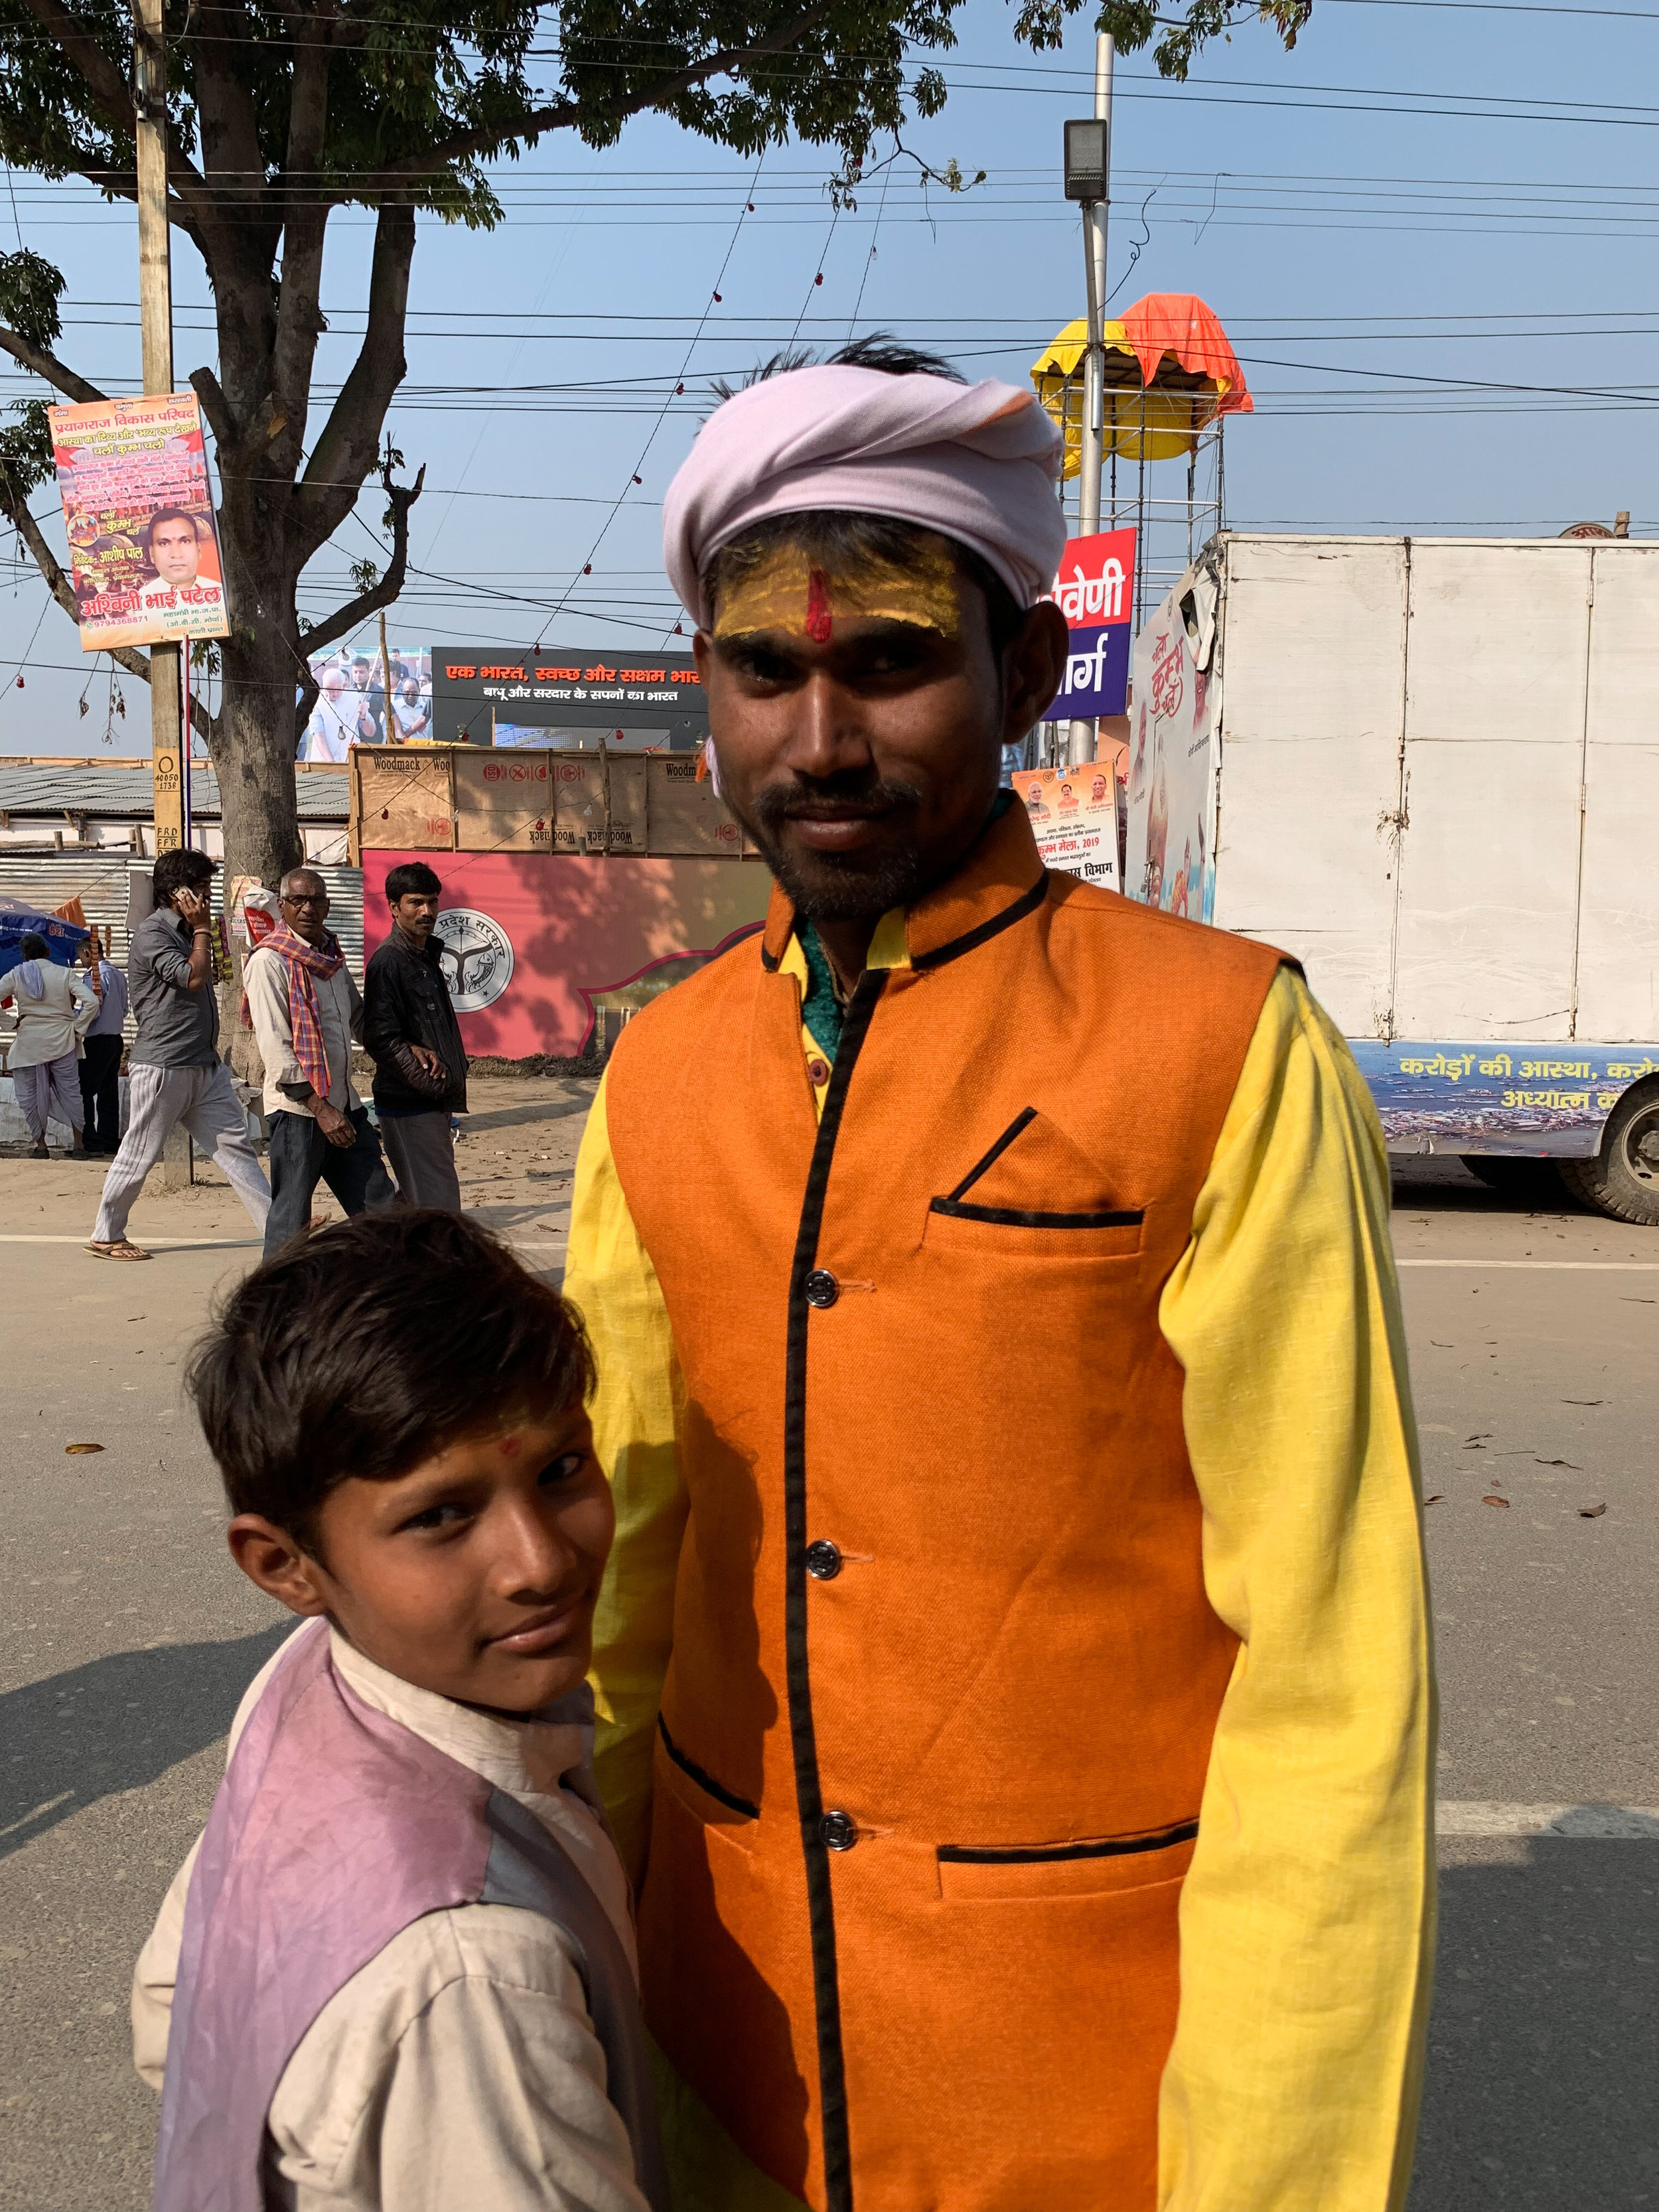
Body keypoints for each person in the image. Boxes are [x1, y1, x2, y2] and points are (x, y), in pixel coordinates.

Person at [562, 340, 1435, 2212]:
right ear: (699, 694)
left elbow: (1329, 1676)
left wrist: (1266, 2173)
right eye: (764, 669)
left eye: (887, 660)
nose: (821, 737)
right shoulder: (656, 1072)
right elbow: (620, 1579)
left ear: (1021, 673)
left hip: (1090, 2105)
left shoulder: (1220, 1046)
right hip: (724, 2064)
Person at [134, 1210, 668, 2212]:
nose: (541, 1562)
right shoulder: (474, 1975)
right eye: (442, 1516)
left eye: (561, 1471)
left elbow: (175, 2005)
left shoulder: (303, 1680)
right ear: (284, 1565)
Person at [88, 849, 271, 1261]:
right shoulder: (154, 933)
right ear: (178, 893)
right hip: (164, 1066)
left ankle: (278, 1225)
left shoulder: (190, 931)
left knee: (235, 1147)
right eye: (202, 888)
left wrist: (203, 931)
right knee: (140, 1152)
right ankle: (107, 1233)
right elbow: (192, 977)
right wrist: (203, 931)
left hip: (203, 1065)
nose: (208, 897)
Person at [243, 867, 396, 1259]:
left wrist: (403, 1053)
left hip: (344, 1105)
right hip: (300, 1112)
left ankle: (392, 1299)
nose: (308, 908)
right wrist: (322, 1109)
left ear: (327, 905)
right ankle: (269, 1307)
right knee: (291, 1221)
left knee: (382, 1208)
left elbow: (358, 1020)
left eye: (316, 900)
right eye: (298, 900)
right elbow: (277, 1051)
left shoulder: (330, 958)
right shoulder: (269, 963)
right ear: (282, 906)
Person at [362, 861, 467, 1211]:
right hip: (411, 1106)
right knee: (440, 1210)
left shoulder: (423, 956)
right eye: (416, 902)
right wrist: (433, 1085)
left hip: (429, 1104)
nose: (427, 911)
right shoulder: (389, 962)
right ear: (394, 907)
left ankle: (388, 1264)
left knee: (415, 1207)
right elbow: (380, 1038)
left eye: (433, 902)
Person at [1, 932, 97, 1155]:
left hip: (28, 1044)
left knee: (30, 1096)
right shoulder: (64, 974)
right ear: (48, 952)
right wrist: (78, 1028)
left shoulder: (16, 974)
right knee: (72, 1093)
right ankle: (79, 1146)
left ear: (24, 956)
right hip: (62, 1041)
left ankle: (41, 1146)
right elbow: (91, 1002)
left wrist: (10, 1024)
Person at [77, 936, 129, 1155]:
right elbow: (125, 1010)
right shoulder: (117, 975)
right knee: (108, 1092)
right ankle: (108, 1140)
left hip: (97, 1041)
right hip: (115, 1039)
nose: (80, 961)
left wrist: (73, 1018)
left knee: (84, 1091)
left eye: (80, 956)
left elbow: (93, 1012)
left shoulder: (94, 977)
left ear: (88, 953)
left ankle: (90, 1141)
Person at [301, 667, 376, 763]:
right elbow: (319, 735)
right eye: (326, 690)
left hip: (352, 758)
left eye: (335, 692)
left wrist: (364, 717)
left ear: (344, 686)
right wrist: (332, 763)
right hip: (325, 760)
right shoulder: (317, 701)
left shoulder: (356, 698)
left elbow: (370, 733)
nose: (330, 695)